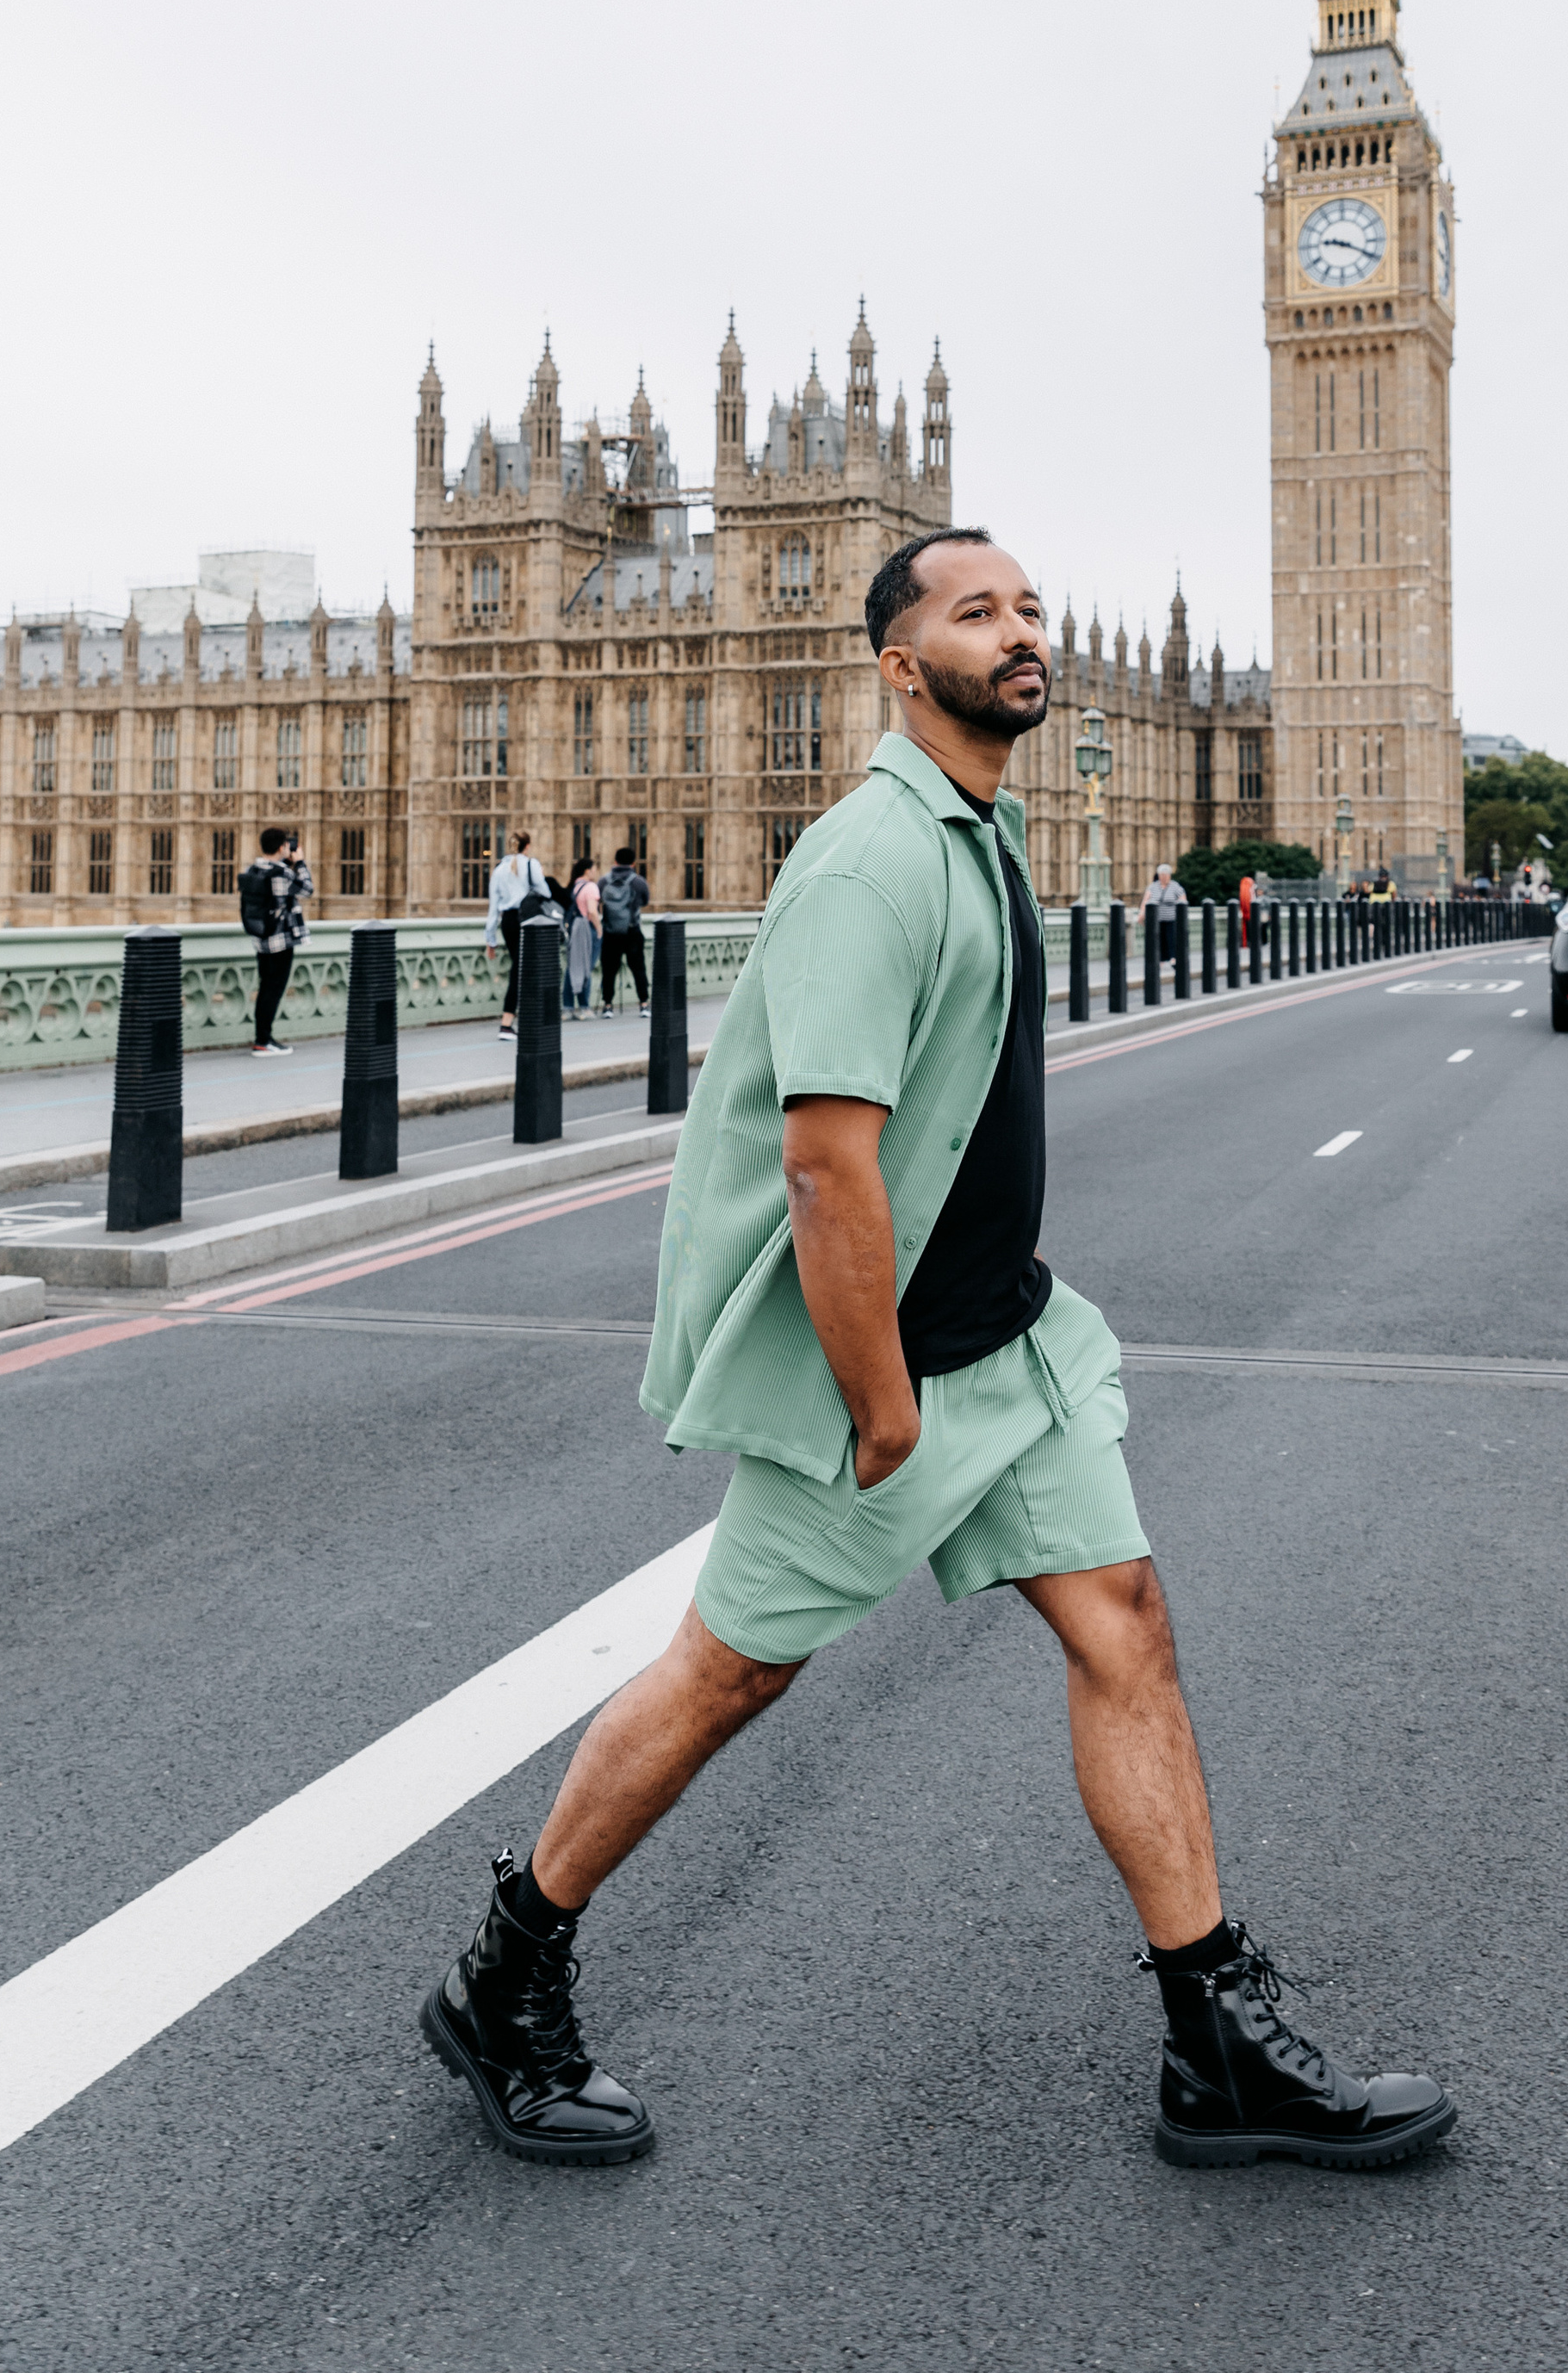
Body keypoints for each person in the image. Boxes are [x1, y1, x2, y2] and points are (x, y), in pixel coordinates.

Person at [420, 525, 1454, 2178]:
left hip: (1011, 1344)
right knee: (726, 1676)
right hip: (889, 1373)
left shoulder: (984, 832)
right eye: (979, 612)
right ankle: (505, 1977)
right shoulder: (869, 863)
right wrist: (879, 1403)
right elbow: (826, 1164)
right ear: (902, 665)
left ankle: (1215, 2043)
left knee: (1124, 1625)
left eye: (1030, 606)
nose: (1021, 630)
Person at [239, 826, 314, 1056]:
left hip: (261, 939)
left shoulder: (254, 869)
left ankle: (262, 1038)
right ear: (282, 847)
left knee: (265, 989)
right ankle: (264, 1041)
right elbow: (307, 890)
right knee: (274, 990)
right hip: (280, 940)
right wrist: (299, 863)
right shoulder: (281, 873)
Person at [485, 831, 548, 1036]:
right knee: (522, 970)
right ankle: (507, 1022)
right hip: (529, 921)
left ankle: (526, 1018)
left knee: (522, 968)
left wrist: (491, 940)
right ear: (527, 846)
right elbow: (546, 893)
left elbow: (493, 908)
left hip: (509, 923)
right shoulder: (532, 865)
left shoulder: (499, 870)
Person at [598, 844, 650, 1017]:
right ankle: (643, 1004)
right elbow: (645, 901)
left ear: (615, 861)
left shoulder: (604, 881)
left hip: (610, 932)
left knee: (609, 970)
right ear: (633, 863)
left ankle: (607, 1006)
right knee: (638, 969)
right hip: (632, 931)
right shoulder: (638, 882)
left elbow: (598, 901)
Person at [564, 859, 600, 1015]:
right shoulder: (591, 887)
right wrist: (599, 930)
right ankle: (584, 1007)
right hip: (587, 928)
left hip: (574, 928)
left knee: (572, 967)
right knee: (586, 967)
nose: (596, 871)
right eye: (594, 868)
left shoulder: (574, 886)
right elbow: (592, 911)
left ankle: (568, 1006)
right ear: (587, 871)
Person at [1140, 861, 1187, 964]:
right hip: (1157, 918)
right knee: (1159, 939)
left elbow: (1183, 900)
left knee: (1171, 938)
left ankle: (1173, 957)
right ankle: (1160, 959)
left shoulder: (1175, 887)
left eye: (1166, 875)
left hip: (1171, 917)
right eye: (1162, 875)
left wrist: (1181, 910)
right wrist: (1142, 913)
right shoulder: (1153, 887)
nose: (1164, 877)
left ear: (1170, 876)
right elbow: (1145, 900)